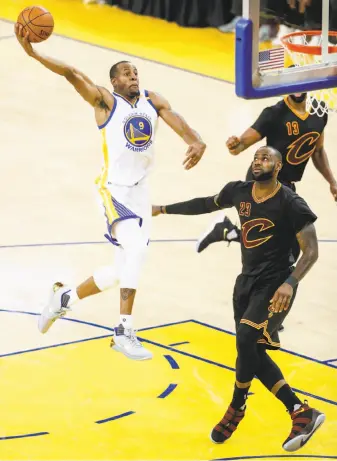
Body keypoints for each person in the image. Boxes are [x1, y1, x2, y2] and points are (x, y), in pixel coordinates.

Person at [15, 24, 206, 361]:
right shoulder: (106, 102)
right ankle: (123, 331)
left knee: (121, 271)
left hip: (140, 192)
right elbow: (72, 73)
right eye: (125, 74)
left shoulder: (152, 100)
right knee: (137, 252)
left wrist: (194, 139)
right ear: (114, 81)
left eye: (135, 72)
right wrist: (33, 52)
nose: (133, 77)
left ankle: (64, 299)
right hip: (113, 189)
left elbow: (176, 120)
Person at [152, 146, 324, 452]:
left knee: (246, 339)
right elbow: (205, 204)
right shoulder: (239, 192)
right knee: (251, 353)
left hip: (276, 283)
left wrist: (290, 282)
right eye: (256, 157)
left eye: (266, 158)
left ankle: (236, 405)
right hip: (245, 282)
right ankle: (300, 411)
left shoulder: (291, 203)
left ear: (279, 166)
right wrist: (164, 208)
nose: (259, 161)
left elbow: (311, 251)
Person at [197, 90, 337, 255]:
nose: (297, 91)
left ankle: (225, 230)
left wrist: (332, 182)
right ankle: (226, 230)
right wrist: (235, 144)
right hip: (265, 181)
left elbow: (318, 151)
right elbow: (240, 146)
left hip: (286, 185)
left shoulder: (319, 111)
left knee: (282, 244)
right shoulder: (273, 114)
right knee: (285, 244)